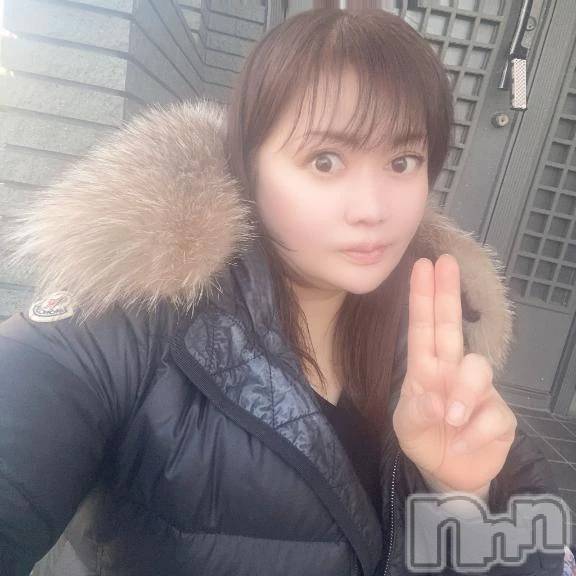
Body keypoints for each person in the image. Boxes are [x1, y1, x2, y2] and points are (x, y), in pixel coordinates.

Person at [0, 7, 569, 576]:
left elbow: (537, 552)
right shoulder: (135, 325)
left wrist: (461, 499)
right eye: (325, 161)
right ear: (250, 166)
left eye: (402, 161)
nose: (373, 209)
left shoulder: (433, 332)